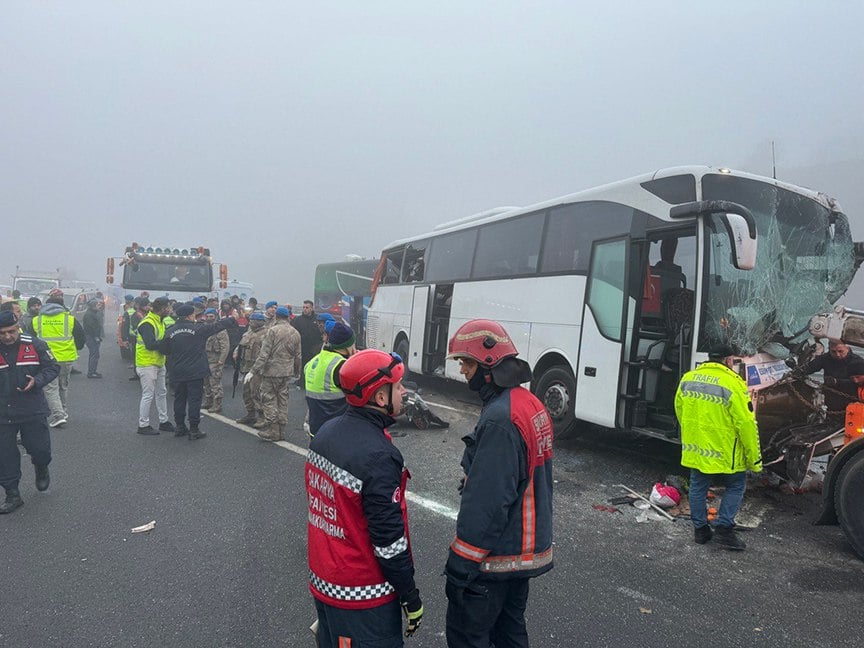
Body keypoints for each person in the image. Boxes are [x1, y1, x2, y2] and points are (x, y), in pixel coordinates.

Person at [444, 319, 554, 648]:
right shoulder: (528, 403)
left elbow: (489, 503)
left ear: (488, 365)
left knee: (468, 636)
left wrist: (461, 564)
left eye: (467, 362)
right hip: (521, 555)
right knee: (509, 635)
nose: (463, 370)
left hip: (495, 559)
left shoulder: (500, 419)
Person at [306, 349, 423, 646]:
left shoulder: (325, 433)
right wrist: (410, 597)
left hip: (325, 580)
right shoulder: (379, 456)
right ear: (381, 398)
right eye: (398, 386)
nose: (404, 392)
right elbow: (388, 542)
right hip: (362, 597)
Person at [675, 344, 762, 551]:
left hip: (698, 448)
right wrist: (755, 460)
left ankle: (700, 531)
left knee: (698, 487)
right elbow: (746, 424)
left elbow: (680, 410)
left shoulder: (688, 378)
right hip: (726, 451)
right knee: (736, 485)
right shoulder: (733, 383)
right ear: (729, 360)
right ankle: (724, 529)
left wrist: (693, 435)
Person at [0, 311, 59, 514]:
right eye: (2, 333)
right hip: (3, 412)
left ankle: (41, 467)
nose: (7, 336)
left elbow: (53, 367)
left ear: (18, 327)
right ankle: (12, 494)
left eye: (11, 331)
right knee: (4, 455)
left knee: (40, 449)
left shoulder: (35, 344)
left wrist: (37, 381)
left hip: (32, 408)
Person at [161, 303, 237, 439]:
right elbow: (216, 326)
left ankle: (180, 427)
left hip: (177, 370)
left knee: (179, 399)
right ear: (190, 316)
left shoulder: (170, 331)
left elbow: (165, 350)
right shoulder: (198, 329)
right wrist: (233, 318)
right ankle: (194, 429)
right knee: (194, 400)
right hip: (195, 371)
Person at [246, 306, 301, 441]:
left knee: (268, 399)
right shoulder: (295, 332)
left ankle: (273, 430)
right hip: (286, 372)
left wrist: (253, 371)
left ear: (277, 316)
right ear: (288, 317)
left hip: (271, 371)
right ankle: (281, 430)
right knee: (283, 400)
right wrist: (297, 372)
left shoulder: (273, 331)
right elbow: (298, 356)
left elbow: (264, 354)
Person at [32, 291, 85, 428]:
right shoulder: (69, 319)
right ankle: (63, 411)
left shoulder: (37, 320)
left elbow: (31, 339)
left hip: (47, 359)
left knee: (50, 388)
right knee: (63, 386)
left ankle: (58, 415)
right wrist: (76, 347)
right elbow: (81, 337)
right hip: (66, 357)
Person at [304, 322, 357, 437]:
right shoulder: (342, 366)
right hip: (335, 431)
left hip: (315, 429)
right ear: (348, 345)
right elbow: (358, 396)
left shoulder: (312, 362)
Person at [795, 339, 864, 423]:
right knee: (831, 421)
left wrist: (837, 382)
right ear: (829, 349)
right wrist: (798, 372)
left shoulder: (858, 362)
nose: (837, 354)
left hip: (852, 402)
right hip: (831, 401)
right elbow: (810, 367)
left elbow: (860, 383)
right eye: (833, 351)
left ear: (847, 348)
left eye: (840, 351)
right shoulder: (825, 358)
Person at [135, 296, 175, 435]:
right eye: (169, 307)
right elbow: (150, 344)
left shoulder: (159, 321)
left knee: (161, 393)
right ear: (163, 308)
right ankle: (143, 425)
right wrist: (169, 343)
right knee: (148, 395)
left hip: (158, 362)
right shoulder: (147, 323)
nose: (170, 310)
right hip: (147, 363)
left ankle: (164, 421)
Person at [234, 312, 267, 425]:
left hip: (258, 369)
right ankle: (250, 414)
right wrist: (236, 352)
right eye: (251, 320)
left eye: (254, 320)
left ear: (260, 322)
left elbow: (265, 353)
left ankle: (262, 416)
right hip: (246, 367)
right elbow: (240, 346)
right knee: (246, 392)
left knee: (256, 393)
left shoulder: (265, 334)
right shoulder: (248, 333)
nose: (251, 322)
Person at [202, 308, 230, 414]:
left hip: (215, 360)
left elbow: (225, 347)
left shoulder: (220, 330)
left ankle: (217, 404)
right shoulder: (204, 328)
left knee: (215, 383)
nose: (209, 318)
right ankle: (208, 401)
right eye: (207, 316)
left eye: (211, 316)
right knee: (206, 382)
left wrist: (221, 361)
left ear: (215, 316)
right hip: (205, 359)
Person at [82, 298, 105, 378]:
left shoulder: (92, 313)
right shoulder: (90, 315)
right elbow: (91, 327)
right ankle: (91, 372)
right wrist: (96, 337)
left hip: (91, 337)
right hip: (91, 337)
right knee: (94, 354)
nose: (99, 306)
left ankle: (93, 371)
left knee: (95, 354)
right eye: (97, 305)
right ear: (93, 306)